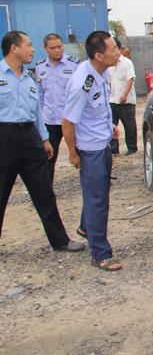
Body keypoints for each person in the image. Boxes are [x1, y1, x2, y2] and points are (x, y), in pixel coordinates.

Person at [0, 31, 84, 252]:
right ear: (14, 48)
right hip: (4, 137)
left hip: (30, 137)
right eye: (28, 45)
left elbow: (37, 111)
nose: (32, 49)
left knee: (44, 191)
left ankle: (60, 240)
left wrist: (44, 139)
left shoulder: (31, 78)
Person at [62, 31, 122, 271]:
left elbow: (97, 108)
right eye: (113, 49)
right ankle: (100, 253)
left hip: (102, 143)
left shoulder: (101, 72)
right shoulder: (82, 83)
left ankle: (87, 227)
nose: (117, 52)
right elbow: (68, 122)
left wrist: (109, 126)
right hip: (90, 150)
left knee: (97, 194)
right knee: (98, 201)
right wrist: (73, 153)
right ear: (99, 55)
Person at [35, 33, 80, 183]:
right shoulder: (40, 67)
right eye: (53, 48)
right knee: (47, 158)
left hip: (71, 120)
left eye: (59, 46)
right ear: (45, 48)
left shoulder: (74, 65)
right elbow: (39, 95)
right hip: (50, 121)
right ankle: (46, 189)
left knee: (82, 153)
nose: (57, 50)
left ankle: (92, 184)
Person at [108, 41, 137, 155]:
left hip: (126, 101)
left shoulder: (127, 63)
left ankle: (132, 148)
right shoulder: (109, 64)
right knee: (111, 125)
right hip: (112, 100)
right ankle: (114, 149)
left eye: (114, 49)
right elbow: (109, 80)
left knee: (129, 126)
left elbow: (130, 79)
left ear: (119, 49)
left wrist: (125, 95)